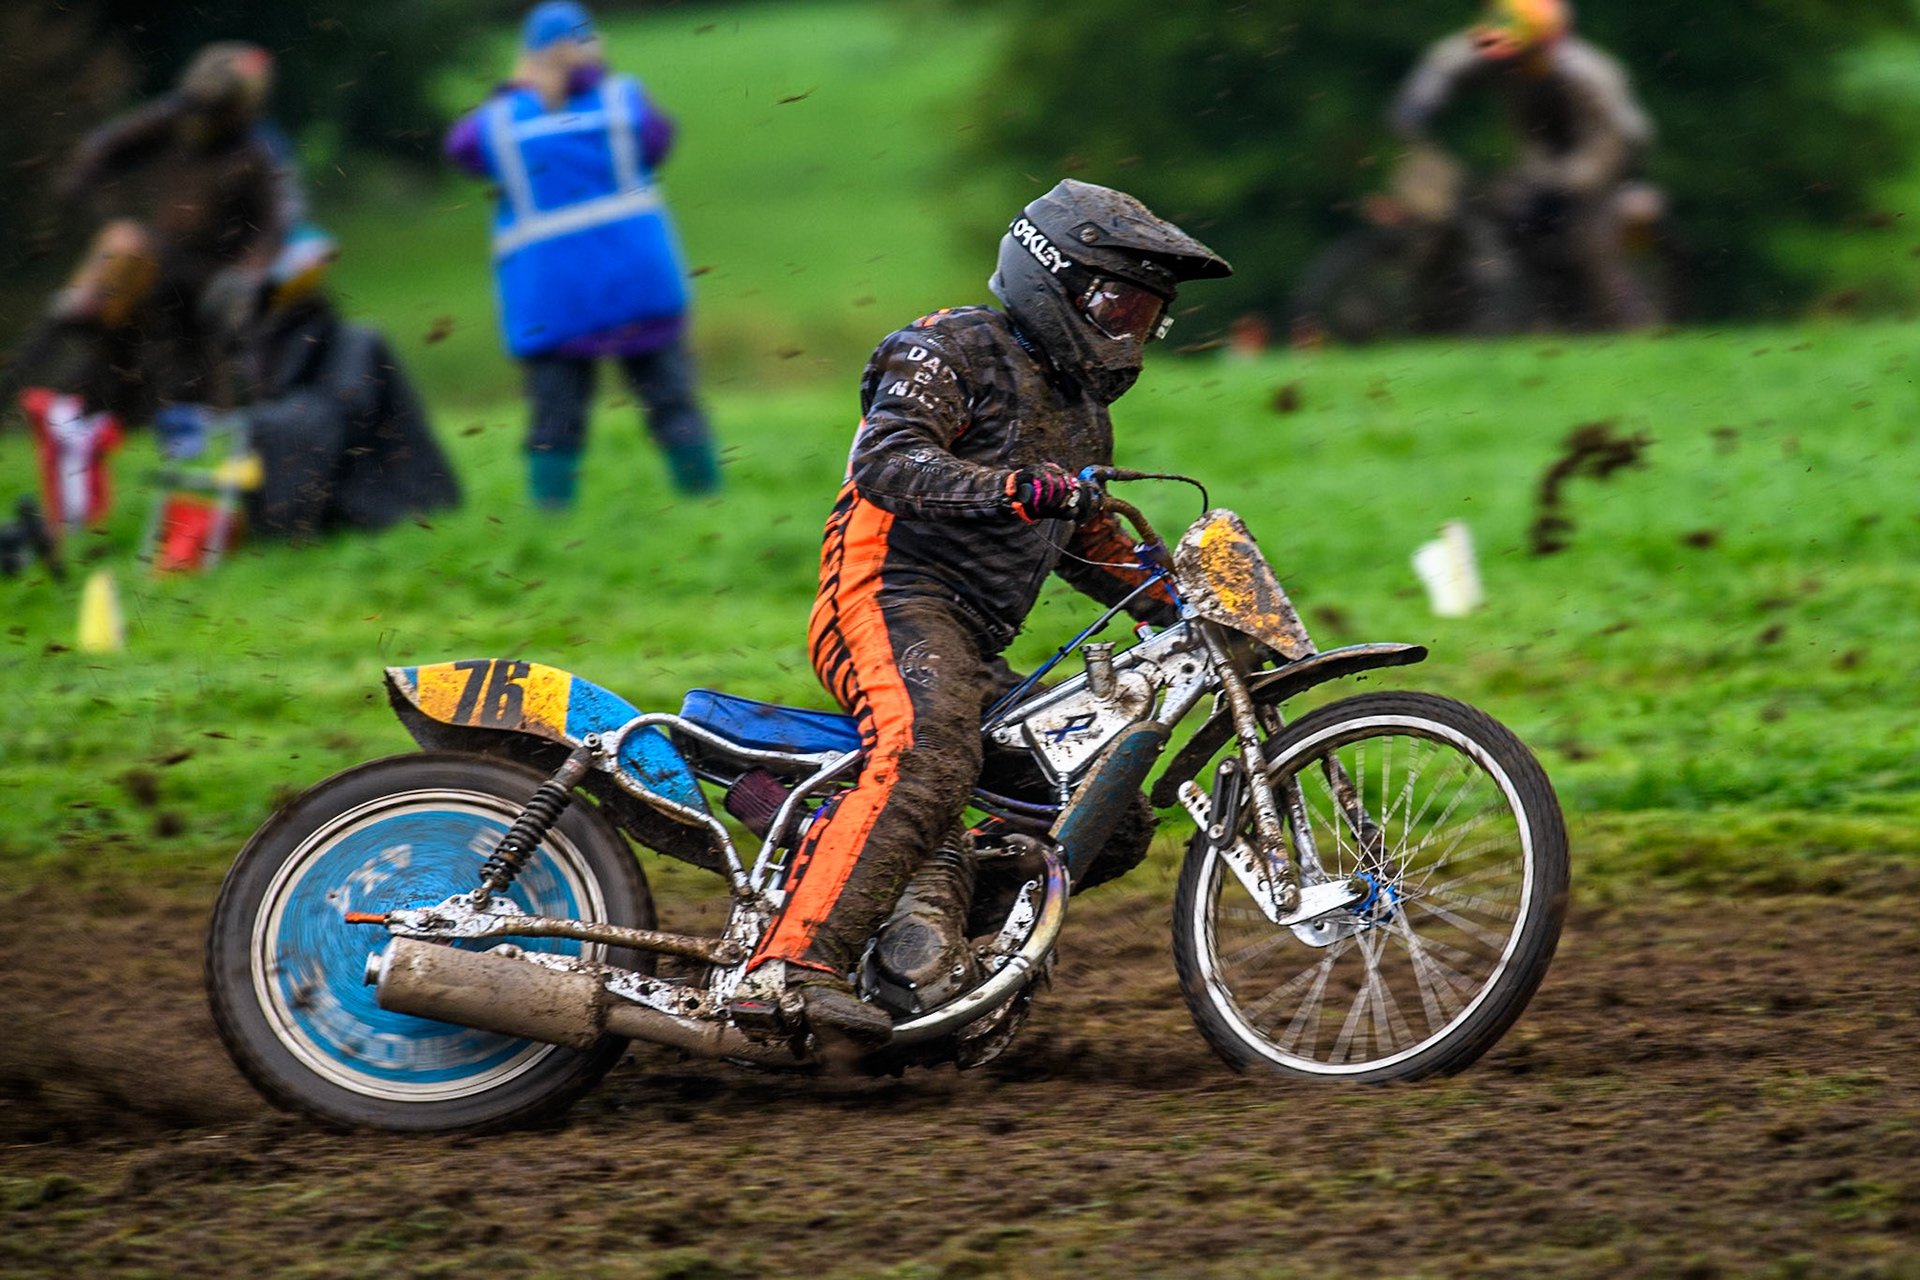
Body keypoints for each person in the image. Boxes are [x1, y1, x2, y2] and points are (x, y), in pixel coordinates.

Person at [741, 179, 1230, 1047]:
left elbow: (1087, 542)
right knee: (929, 750)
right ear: (1055, 278)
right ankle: (789, 967)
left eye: (1144, 313)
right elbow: (888, 465)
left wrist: (1190, 608)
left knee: (1110, 818)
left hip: (969, 644)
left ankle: (922, 939)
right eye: (1119, 302)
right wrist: (1015, 489)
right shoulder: (946, 346)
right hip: (886, 597)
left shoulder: (1083, 420)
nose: (1129, 329)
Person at [445, 1, 718, 509]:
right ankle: (708, 506)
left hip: (557, 295)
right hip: (638, 284)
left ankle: (551, 522)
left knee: (556, 416)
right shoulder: (623, 103)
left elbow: (460, 150)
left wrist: (517, 88)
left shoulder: (502, 121)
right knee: (671, 401)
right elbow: (660, 141)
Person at [1389, 0, 1660, 328]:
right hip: (1541, 159)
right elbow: (1447, 62)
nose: (1514, 60)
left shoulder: (1589, 75)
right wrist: (1418, 106)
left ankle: (1633, 327)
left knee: (1592, 243)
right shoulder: (1500, 51)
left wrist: (1571, 180)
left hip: (1602, 160)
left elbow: (1616, 139)